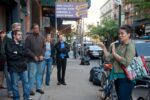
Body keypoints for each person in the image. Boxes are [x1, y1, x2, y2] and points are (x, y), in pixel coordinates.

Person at [99, 25, 135, 100]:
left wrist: (115, 54)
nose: (120, 35)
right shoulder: (120, 46)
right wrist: (104, 48)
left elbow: (126, 62)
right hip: (118, 77)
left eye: (122, 33)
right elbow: (109, 58)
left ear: (129, 34)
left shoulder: (130, 46)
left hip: (126, 78)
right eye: (119, 34)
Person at [5, 30, 30, 100]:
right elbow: (11, 56)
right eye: (19, 34)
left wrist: (17, 53)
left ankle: (26, 98)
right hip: (13, 67)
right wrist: (20, 54)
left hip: (23, 66)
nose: (20, 36)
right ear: (14, 36)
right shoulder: (9, 44)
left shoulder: (23, 44)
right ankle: (16, 98)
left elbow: (26, 53)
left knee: (26, 84)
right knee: (14, 85)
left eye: (21, 34)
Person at [25, 24, 45, 95]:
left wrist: (42, 55)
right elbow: (26, 49)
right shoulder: (29, 38)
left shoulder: (42, 38)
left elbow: (44, 48)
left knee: (39, 74)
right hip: (32, 60)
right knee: (31, 75)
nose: (37, 29)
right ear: (32, 29)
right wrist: (33, 56)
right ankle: (31, 89)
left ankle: (38, 88)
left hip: (40, 60)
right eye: (35, 28)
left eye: (38, 28)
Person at [0, 29, 13, 97]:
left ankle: (10, 91)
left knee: (8, 77)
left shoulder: (8, 40)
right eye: (0, 33)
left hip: (6, 61)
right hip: (1, 61)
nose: (1, 34)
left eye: (3, 32)